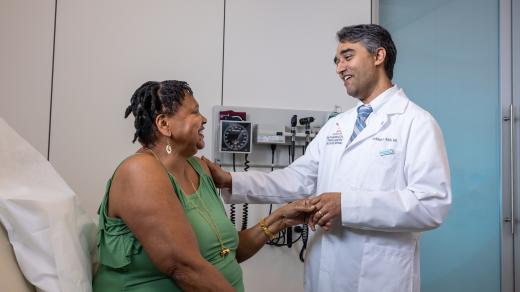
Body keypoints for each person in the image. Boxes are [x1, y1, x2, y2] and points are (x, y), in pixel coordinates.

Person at [203, 24, 452, 292]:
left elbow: (431, 204)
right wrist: (231, 180)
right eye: (336, 61)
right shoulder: (338, 126)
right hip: (326, 269)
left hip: (379, 274)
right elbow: (298, 179)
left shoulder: (416, 122)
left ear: (378, 57)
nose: (339, 68)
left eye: (347, 56)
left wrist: (347, 204)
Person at [92, 80, 315, 292]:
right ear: (164, 124)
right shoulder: (140, 172)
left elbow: (225, 251)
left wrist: (281, 218)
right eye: (194, 112)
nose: (204, 119)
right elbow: (183, 267)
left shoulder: (199, 168)